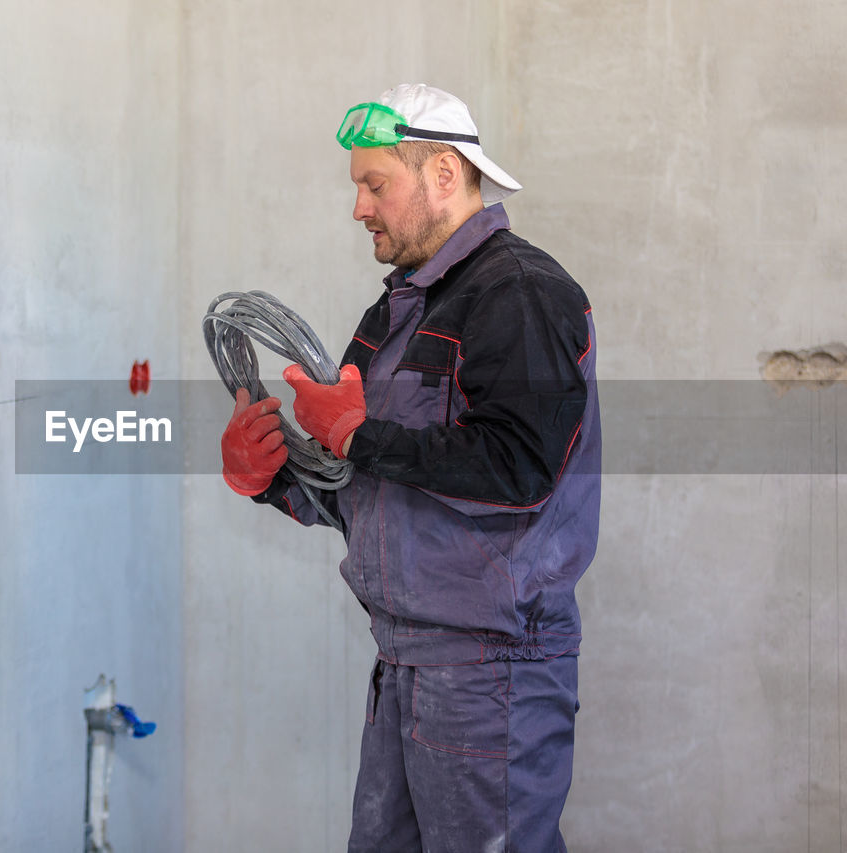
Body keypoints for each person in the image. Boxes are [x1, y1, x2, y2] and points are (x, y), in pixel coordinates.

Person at [219, 83, 601, 851]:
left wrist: (361, 435)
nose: (359, 208)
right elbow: (360, 491)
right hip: (407, 666)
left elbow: (524, 465)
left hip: (495, 671)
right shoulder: (397, 312)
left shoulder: (520, 294)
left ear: (444, 176)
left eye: (374, 185)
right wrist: (273, 479)